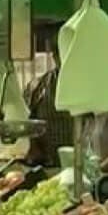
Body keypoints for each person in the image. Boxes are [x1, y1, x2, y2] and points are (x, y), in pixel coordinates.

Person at [28, 33, 74, 167]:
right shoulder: (38, 87)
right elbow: (29, 124)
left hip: (83, 165)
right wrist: (35, 150)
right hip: (49, 165)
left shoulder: (87, 85)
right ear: (55, 56)